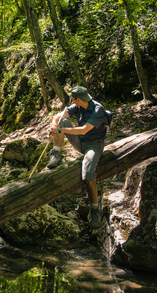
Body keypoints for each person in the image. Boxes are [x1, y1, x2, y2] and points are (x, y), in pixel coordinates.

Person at [48, 86, 109, 229]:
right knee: (61, 121)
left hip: (94, 145)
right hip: (81, 142)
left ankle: (94, 209)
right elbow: (59, 116)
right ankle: (55, 153)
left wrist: (60, 130)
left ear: (78, 99)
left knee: (87, 174)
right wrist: (54, 124)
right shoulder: (78, 106)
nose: (73, 102)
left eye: (73, 100)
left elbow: (84, 129)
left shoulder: (97, 110)